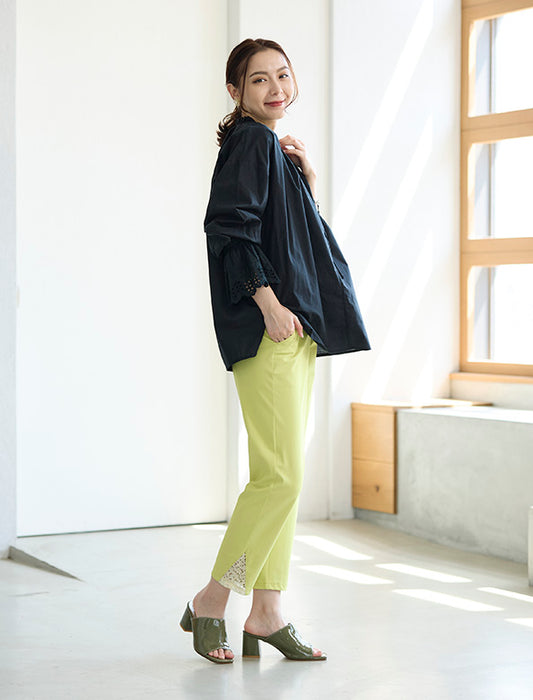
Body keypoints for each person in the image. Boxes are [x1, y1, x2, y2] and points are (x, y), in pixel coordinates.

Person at [180, 38, 370, 664]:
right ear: (235, 91)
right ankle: (213, 599)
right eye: (258, 79)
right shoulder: (251, 141)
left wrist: (307, 181)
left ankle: (266, 613)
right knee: (280, 478)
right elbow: (229, 230)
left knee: (282, 476)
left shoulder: (273, 149)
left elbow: (290, 236)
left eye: (282, 75)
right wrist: (267, 304)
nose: (275, 88)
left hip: (294, 329)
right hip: (273, 328)